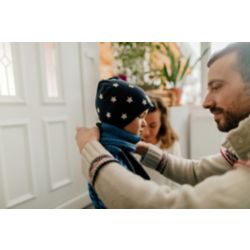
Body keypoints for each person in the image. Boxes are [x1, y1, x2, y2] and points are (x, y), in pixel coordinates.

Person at [76, 43, 250, 208]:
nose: (205, 102)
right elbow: (196, 172)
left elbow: (166, 208)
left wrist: (90, 150)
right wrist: (145, 150)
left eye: (217, 87)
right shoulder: (239, 152)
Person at [87, 77, 154, 208]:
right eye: (141, 116)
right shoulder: (111, 155)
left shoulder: (116, 146)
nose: (144, 123)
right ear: (121, 119)